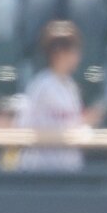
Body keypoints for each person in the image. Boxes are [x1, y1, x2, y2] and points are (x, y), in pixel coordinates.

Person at [19, 19, 88, 171]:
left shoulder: (71, 86)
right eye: (73, 51)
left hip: (69, 167)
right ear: (58, 53)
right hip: (40, 171)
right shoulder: (40, 85)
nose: (77, 57)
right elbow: (24, 128)